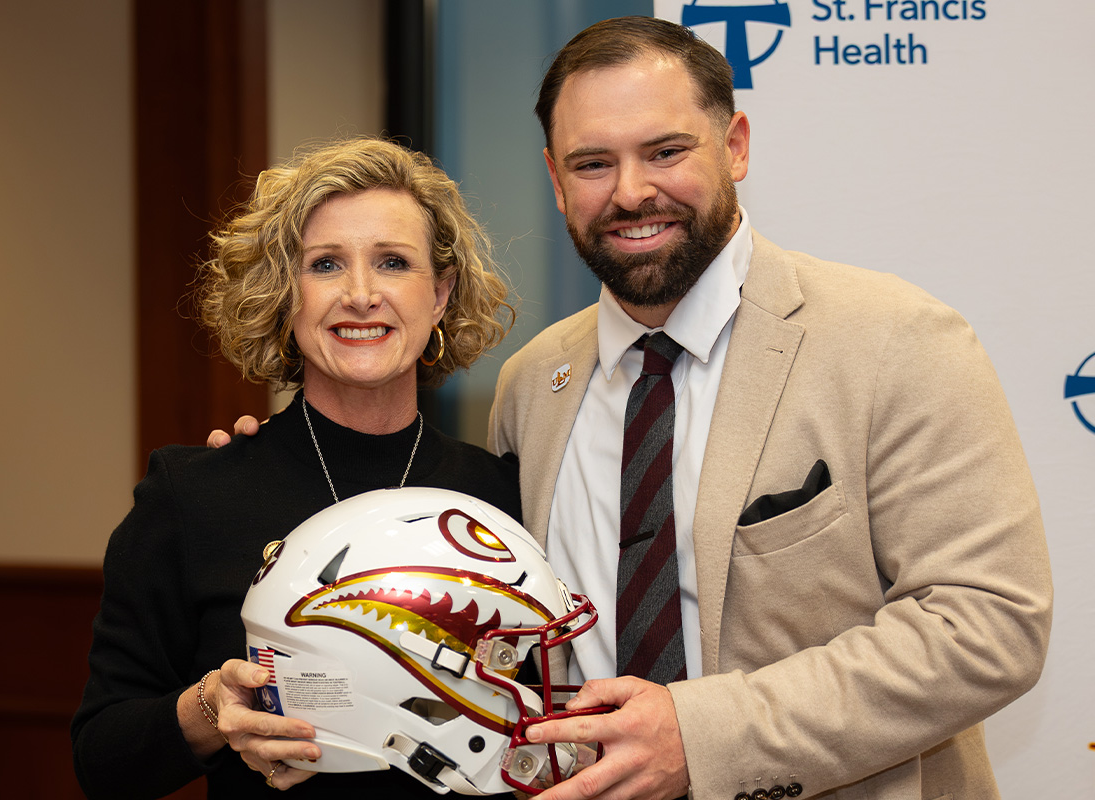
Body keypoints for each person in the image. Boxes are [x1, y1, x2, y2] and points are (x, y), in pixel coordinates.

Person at [213, 16, 1052, 800]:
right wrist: (273, 462)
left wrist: (700, 734)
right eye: (593, 163)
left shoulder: (895, 342)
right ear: (553, 177)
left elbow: (988, 626)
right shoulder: (533, 384)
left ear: (736, 145)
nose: (631, 192)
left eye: (664, 151)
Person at [72, 136, 520, 799]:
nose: (361, 294)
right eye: (326, 265)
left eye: (394, 262)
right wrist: (209, 708)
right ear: (285, 294)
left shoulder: (499, 498)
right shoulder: (192, 496)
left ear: (441, 295)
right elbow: (103, 760)